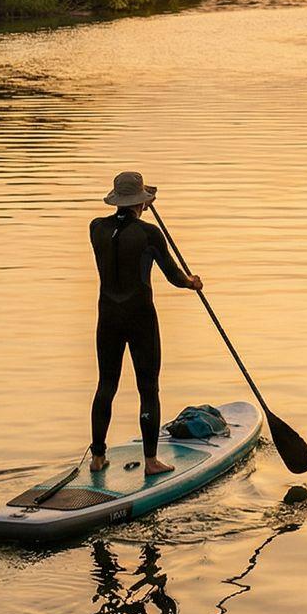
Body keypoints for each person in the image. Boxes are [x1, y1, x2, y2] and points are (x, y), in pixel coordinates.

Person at [89, 171, 201, 476]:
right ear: (142, 201)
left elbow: (122, 227)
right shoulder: (150, 234)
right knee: (148, 388)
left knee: (106, 384)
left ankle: (98, 457)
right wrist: (192, 283)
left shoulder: (96, 228)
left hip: (107, 316)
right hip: (140, 317)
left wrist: (138, 208)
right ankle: (151, 462)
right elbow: (174, 276)